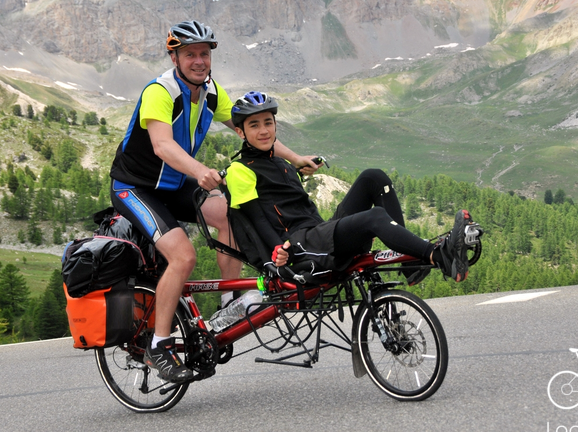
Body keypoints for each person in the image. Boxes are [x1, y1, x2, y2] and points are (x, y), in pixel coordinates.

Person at [110, 21, 318, 383]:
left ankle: (229, 305)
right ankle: (158, 346)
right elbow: (162, 145)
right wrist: (199, 170)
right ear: (174, 56)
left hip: (173, 184)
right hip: (136, 187)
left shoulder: (210, 92)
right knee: (183, 256)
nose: (199, 61)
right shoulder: (160, 92)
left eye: (204, 53)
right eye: (190, 54)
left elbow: (253, 130)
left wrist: (296, 159)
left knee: (229, 213)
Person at [224, 91, 481, 285]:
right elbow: (257, 221)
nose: (263, 130)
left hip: (318, 233)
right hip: (298, 248)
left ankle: (411, 266)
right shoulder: (240, 170)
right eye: (254, 125)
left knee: (374, 177)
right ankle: (436, 256)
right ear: (240, 132)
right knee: (375, 217)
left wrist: (299, 166)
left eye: (268, 122)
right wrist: (278, 254)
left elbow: (288, 202)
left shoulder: (282, 164)